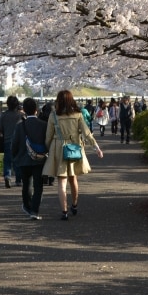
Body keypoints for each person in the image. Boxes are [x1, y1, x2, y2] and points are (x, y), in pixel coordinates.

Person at [43, 90, 104, 221]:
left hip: (59, 148)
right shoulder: (78, 114)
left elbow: (48, 136)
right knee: (73, 178)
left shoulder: (53, 116)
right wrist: (96, 148)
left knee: (61, 180)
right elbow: (87, 133)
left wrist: (47, 150)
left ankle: (64, 211)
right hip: (74, 148)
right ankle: (74, 205)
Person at [11, 97, 48, 220]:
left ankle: (27, 206)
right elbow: (47, 143)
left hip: (23, 159)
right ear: (36, 110)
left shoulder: (20, 126)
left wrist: (14, 157)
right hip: (39, 159)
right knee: (38, 186)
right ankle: (34, 211)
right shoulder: (43, 125)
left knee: (26, 185)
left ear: (24, 111)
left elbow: (14, 144)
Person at [0, 95, 24, 188]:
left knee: (7, 160)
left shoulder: (4, 115)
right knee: (18, 160)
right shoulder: (21, 115)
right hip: (19, 141)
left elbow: (0, 129)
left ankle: (7, 176)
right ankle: (18, 180)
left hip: (7, 140)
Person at [38, 102, 55, 186]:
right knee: (53, 159)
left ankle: (44, 175)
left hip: (42, 140)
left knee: (43, 159)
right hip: (53, 141)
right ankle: (51, 178)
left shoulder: (41, 117)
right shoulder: (55, 118)